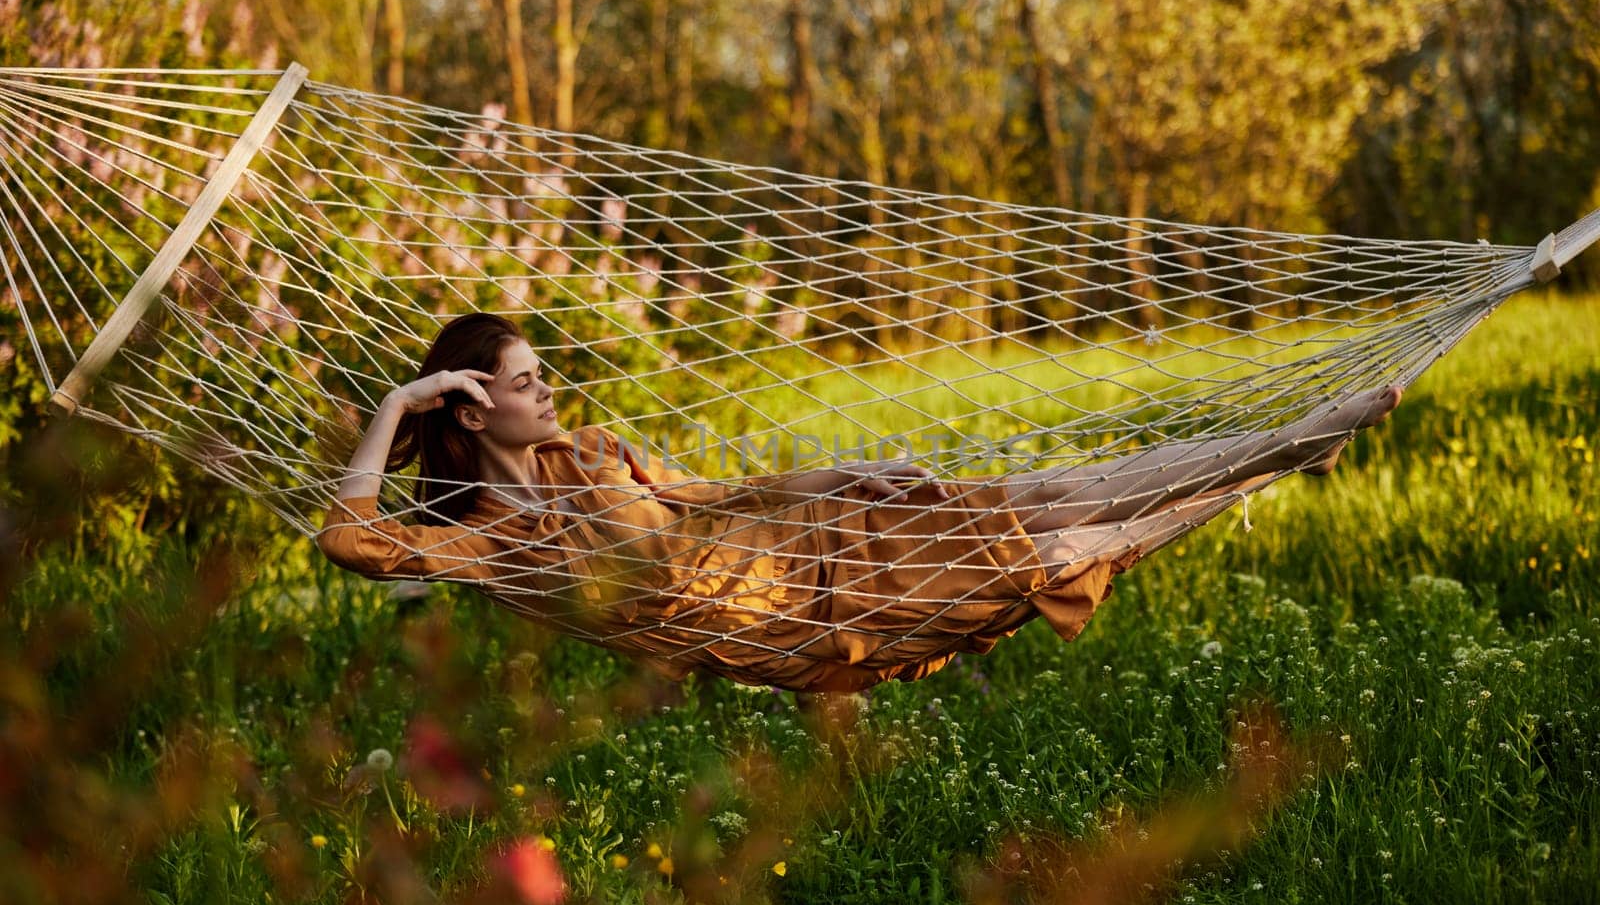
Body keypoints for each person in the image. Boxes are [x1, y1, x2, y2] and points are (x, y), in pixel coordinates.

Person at [317, 312, 1401, 692]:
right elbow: (350, 539)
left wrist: (848, 475)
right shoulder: (486, 540)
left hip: (814, 529)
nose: (549, 391)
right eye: (524, 382)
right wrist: (397, 402)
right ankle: (1272, 462)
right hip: (799, 616)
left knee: (1062, 487)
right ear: (467, 413)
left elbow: (715, 490)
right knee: (1068, 543)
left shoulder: (590, 450)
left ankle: (1291, 436)